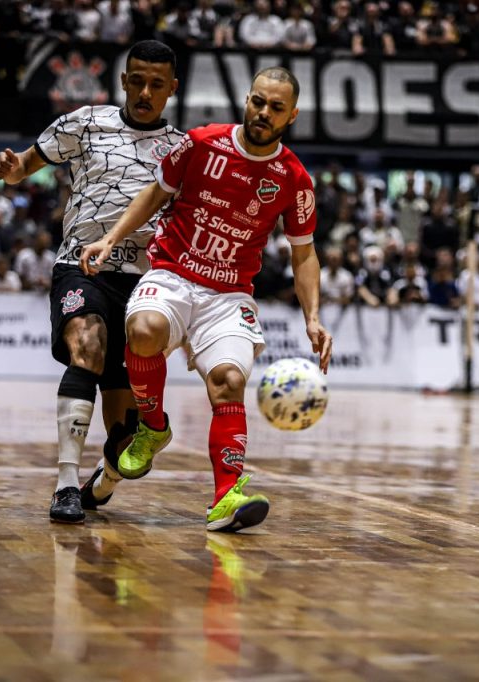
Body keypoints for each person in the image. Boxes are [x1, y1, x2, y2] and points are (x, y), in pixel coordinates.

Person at [81, 66, 333, 532]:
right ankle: (152, 427)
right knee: (144, 330)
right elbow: (155, 193)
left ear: (292, 115)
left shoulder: (294, 178)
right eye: (258, 101)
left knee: (230, 380)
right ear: (247, 98)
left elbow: (305, 255)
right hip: (173, 275)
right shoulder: (201, 143)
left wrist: (313, 317)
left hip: (229, 294)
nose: (263, 112)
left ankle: (226, 498)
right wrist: (112, 239)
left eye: (276, 107)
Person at [0, 40, 183, 524]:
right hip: (84, 266)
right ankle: (65, 485)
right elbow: (26, 165)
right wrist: (13, 171)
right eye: (136, 80)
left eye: (156, 84)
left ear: (172, 89)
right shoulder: (86, 122)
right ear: (123, 80)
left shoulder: (182, 149)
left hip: (147, 283)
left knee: (127, 444)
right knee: (88, 347)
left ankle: (102, 482)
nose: (144, 91)